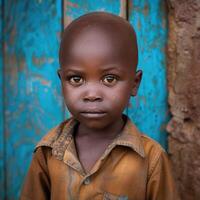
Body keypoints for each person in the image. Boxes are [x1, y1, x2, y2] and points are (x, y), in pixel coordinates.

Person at [20, 12, 179, 200]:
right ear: (61, 81)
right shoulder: (48, 153)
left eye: (109, 79)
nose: (92, 94)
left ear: (134, 83)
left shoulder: (152, 160)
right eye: (76, 79)